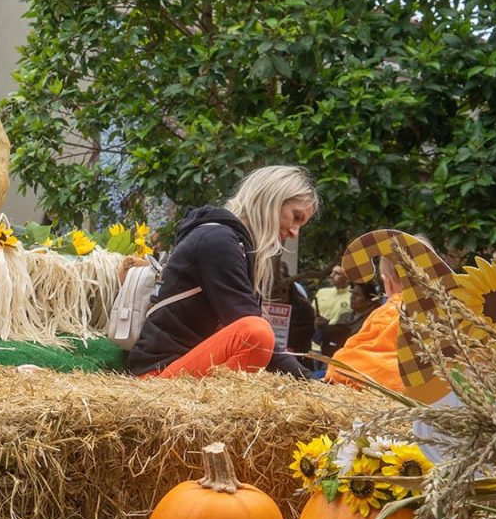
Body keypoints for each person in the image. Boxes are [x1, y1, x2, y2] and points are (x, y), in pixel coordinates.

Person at [127, 165, 319, 379]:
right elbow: (249, 331)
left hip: (182, 368)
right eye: (296, 217)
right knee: (256, 333)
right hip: (159, 375)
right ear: (272, 200)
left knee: (257, 332)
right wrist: (310, 383)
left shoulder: (231, 243)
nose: (294, 233)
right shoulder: (218, 241)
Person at [327, 263, 406, 392]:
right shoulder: (443, 309)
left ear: (388, 282)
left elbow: (351, 359)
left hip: (391, 387)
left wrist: (335, 368)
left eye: (357, 295)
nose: (352, 298)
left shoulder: (391, 309)